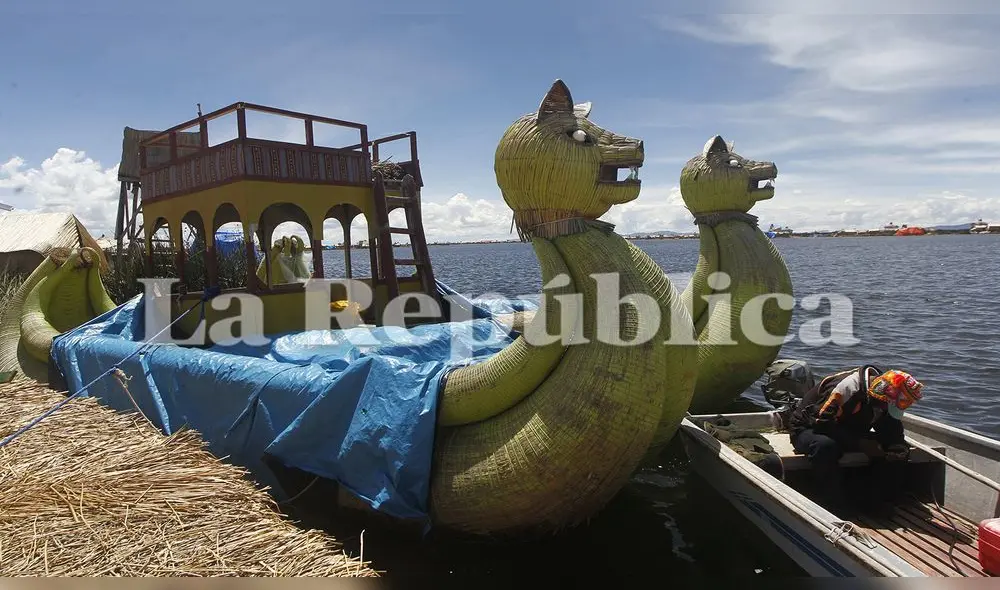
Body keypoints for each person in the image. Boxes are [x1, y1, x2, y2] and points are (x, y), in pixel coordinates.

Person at [787, 366, 924, 509]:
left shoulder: (884, 398)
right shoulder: (846, 389)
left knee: (897, 449)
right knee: (825, 446)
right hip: (808, 428)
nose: (884, 409)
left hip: (848, 428)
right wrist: (859, 443)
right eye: (884, 405)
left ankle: (877, 497)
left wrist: (897, 448)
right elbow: (821, 424)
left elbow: (891, 429)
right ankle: (830, 501)